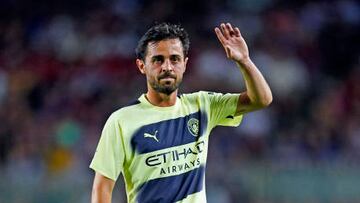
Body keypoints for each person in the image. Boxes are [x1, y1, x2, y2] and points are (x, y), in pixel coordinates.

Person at [90, 22, 272, 203]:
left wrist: (244, 61)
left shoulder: (203, 105)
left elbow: (261, 99)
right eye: (158, 59)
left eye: (174, 59)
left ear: (184, 64)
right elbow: (102, 188)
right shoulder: (122, 121)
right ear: (141, 66)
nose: (167, 67)